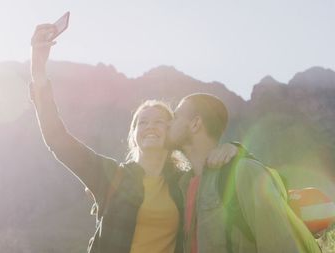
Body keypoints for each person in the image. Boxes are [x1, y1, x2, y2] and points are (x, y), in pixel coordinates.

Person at [29, 24, 238, 253]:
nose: (150, 127)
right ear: (133, 135)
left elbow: (219, 176)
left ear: (170, 132)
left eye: (159, 122)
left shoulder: (183, 183)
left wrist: (233, 148)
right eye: (143, 122)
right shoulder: (111, 176)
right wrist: (38, 65)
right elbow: (56, 138)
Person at [166, 93, 321, 253]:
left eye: (176, 117)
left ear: (195, 124)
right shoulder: (182, 185)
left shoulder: (244, 172)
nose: (169, 123)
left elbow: (282, 246)